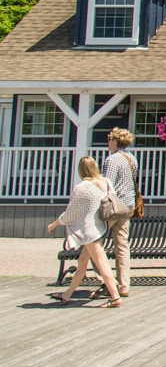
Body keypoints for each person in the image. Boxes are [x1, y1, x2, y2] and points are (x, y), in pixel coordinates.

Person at [46, 156, 121, 307]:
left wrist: (54, 224)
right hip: (100, 227)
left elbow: (70, 212)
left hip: (88, 231)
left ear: (81, 170)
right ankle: (67, 295)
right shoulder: (105, 183)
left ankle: (115, 297)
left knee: (102, 263)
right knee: (82, 263)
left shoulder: (82, 188)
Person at [94, 127, 137, 299]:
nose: (108, 142)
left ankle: (105, 281)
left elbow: (107, 185)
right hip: (128, 205)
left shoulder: (112, 160)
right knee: (122, 244)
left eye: (109, 139)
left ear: (114, 141)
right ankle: (124, 284)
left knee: (93, 243)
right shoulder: (131, 158)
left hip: (114, 207)